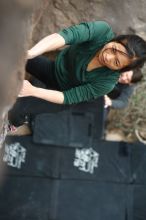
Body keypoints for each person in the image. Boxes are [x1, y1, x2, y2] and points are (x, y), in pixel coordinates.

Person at [18, 20, 146, 105]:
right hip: (55, 68)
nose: (108, 57)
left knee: (22, 111)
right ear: (117, 39)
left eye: (116, 62)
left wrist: (33, 91)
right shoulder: (102, 31)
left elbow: (68, 97)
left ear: (121, 69)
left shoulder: (107, 82)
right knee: (17, 56)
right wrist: (31, 53)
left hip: (65, 91)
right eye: (113, 49)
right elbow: (66, 36)